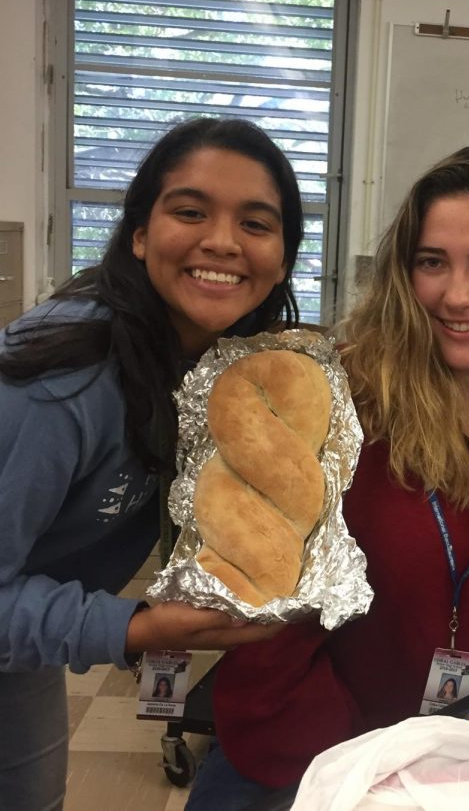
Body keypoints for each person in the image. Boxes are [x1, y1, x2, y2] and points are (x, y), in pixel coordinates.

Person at [185, 147, 469, 809]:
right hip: (307, 761)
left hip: (464, 770)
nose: (455, 294)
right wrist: (362, 768)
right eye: (431, 262)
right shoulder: (337, 405)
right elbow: (267, 622)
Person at [0, 116, 305, 810]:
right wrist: (134, 627)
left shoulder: (212, 367)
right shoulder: (62, 383)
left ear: (282, 257)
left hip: (23, 647)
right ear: (139, 234)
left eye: (256, 223)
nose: (222, 241)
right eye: (190, 211)